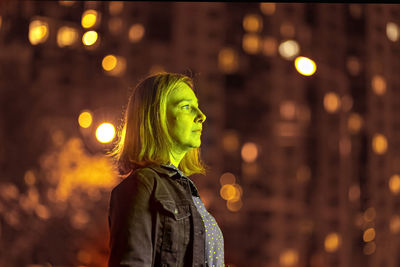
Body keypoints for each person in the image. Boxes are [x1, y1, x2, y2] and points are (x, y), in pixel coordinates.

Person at [107, 72, 225, 267]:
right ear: (157, 117)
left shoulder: (186, 190)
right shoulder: (143, 185)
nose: (201, 116)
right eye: (187, 107)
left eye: (197, 106)